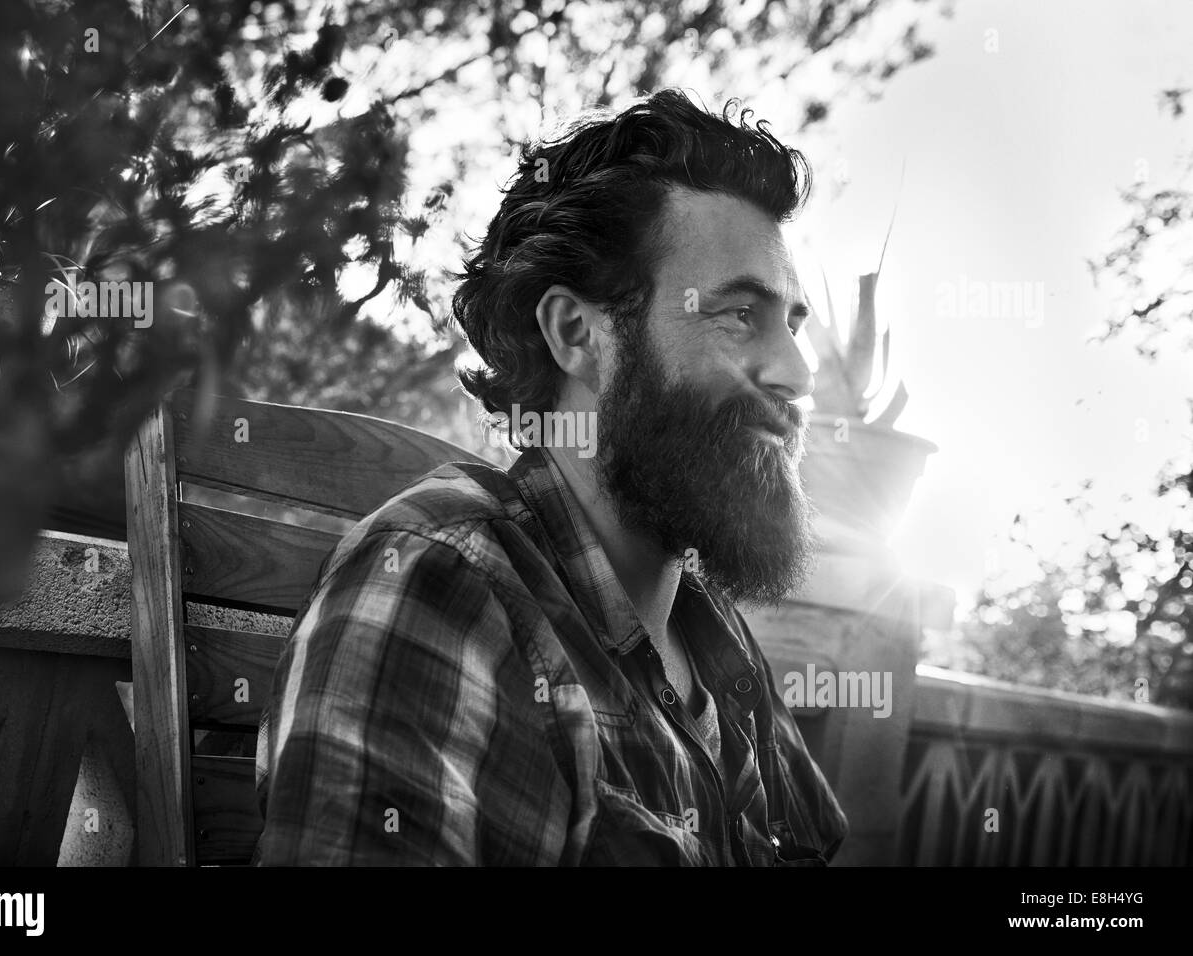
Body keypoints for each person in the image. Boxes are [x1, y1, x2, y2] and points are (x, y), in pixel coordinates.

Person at [255, 88, 848, 865]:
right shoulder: (442, 583)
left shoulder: (716, 637)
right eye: (740, 315)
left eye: (793, 325)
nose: (797, 374)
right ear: (577, 334)